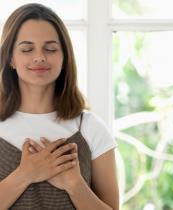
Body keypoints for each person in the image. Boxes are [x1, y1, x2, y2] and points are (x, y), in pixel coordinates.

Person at [0, 3, 119, 210]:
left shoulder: (90, 128)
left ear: (64, 57)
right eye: (27, 49)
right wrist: (25, 174)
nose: (40, 57)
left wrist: (75, 185)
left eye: (51, 49)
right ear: (10, 57)